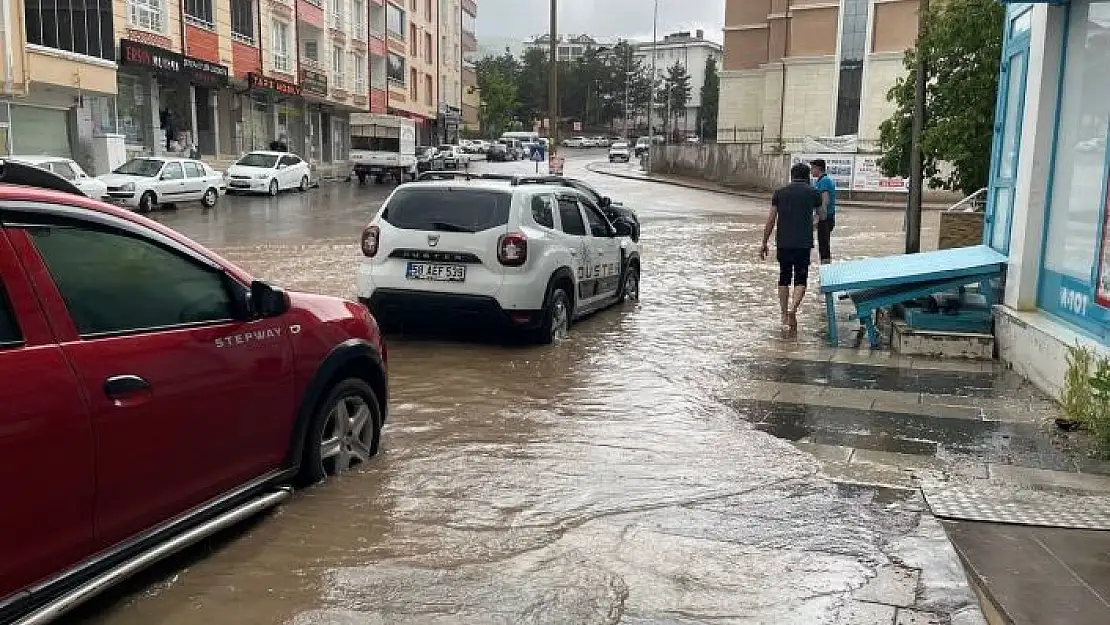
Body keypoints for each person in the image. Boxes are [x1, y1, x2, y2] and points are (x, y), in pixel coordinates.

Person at [761, 162, 825, 330]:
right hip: (803, 243)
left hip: (783, 242)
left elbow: (771, 220)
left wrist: (764, 242)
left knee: (784, 277)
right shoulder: (814, 193)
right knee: (801, 278)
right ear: (807, 177)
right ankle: (793, 309)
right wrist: (814, 222)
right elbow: (822, 215)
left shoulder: (780, 193)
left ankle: (783, 314)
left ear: (792, 176)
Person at [811, 158, 837, 264]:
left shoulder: (824, 181)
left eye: (812, 168)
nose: (811, 171)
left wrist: (818, 219)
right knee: (823, 244)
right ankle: (826, 266)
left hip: (825, 218)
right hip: (825, 218)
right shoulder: (822, 181)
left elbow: (825, 201)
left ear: (818, 168)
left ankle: (826, 268)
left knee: (824, 245)